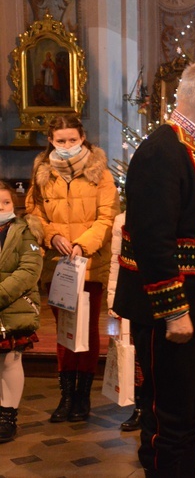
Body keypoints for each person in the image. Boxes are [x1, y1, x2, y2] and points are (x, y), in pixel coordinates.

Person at [113, 60, 195, 476]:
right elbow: (153, 240)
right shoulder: (162, 150)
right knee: (167, 417)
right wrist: (175, 311)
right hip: (172, 313)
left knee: (192, 410)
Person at [27, 115, 119, 424]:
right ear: (51, 140)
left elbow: (107, 216)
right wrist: (52, 235)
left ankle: (82, 397)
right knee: (66, 332)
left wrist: (82, 243)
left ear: (83, 138)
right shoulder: (42, 172)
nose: (67, 145)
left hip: (88, 263)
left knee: (87, 331)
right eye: (60, 140)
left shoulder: (99, 173)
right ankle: (66, 395)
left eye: (72, 139)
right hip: (58, 265)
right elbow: (34, 212)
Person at [0, 182, 43, 443]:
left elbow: (29, 270)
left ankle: (8, 415)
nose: (0, 207)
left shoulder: (24, 231)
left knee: (9, 361)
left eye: (5, 202)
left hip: (13, 305)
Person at [106, 211, 143, 432]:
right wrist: (113, 301)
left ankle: (159, 406)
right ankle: (140, 407)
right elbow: (116, 262)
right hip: (135, 294)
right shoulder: (123, 219)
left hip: (163, 293)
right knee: (136, 356)